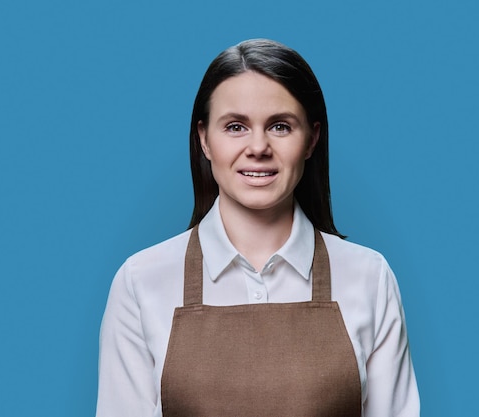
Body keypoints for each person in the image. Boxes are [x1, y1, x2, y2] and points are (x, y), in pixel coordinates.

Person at [96, 39, 419, 417]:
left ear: (311, 139)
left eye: (280, 126)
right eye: (235, 126)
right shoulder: (140, 283)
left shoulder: (370, 278)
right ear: (204, 139)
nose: (258, 147)